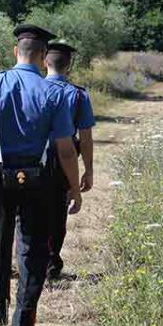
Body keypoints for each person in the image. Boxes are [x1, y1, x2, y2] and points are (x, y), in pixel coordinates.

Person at [0, 24, 83, 326]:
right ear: (42, 57)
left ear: (15, 52)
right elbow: (66, 150)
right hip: (38, 176)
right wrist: (75, 189)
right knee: (32, 247)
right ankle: (23, 318)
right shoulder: (53, 93)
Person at [44, 41, 95, 279]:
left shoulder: (33, 88)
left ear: (45, 61)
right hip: (64, 159)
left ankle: (31, 258)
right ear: (69, 66)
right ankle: (52, 261)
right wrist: (88, 170)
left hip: (33, 155)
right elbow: (85, 139)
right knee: (57, 213)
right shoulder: (78, 95)